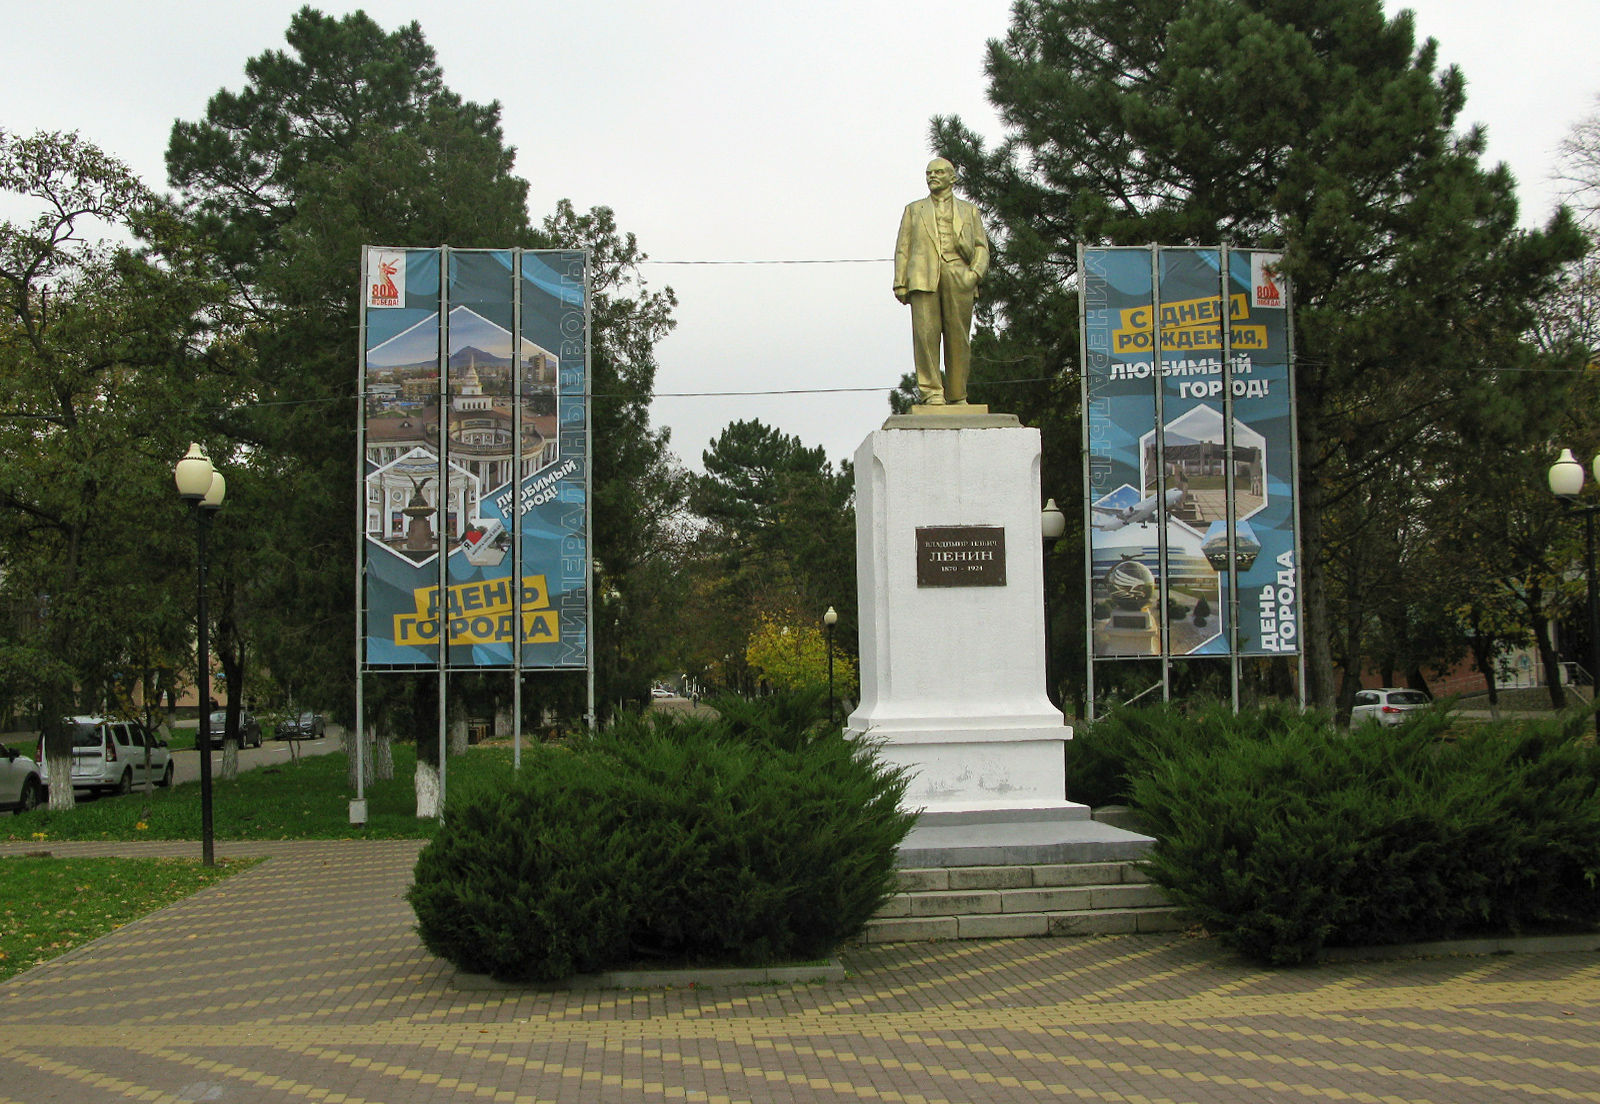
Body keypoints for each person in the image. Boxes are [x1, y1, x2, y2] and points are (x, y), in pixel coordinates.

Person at [894, 157, 990, 407]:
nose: (932, 177)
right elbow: (903, 247)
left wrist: (974, 274)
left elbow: (981, 246)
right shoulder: (914, 209)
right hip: (923, 276)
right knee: (925, 336)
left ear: (952, 177)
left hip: (959, 274)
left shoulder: (969, 210)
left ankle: (958, 394)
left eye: (938, 172)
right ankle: (932, 392)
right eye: (929, 173)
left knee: (958, 337)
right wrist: (900, 281)